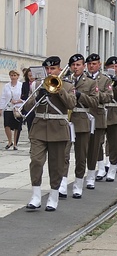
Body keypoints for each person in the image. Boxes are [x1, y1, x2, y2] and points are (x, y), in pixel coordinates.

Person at [25, 56, 77, 211]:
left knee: (56, 165)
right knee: (36, 161)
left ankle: (54, 196)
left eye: (53, 69)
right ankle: (36, 196)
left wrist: (59, 90)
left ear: (59, 69)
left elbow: (71, 104)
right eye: (47, 69)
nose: (49, 72)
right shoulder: (36, 84)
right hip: (39, 127)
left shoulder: (67, 85)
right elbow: (27, 107)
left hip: (58, 129)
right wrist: (36, 97)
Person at [59, 54, 99, 199]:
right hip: (67, 121)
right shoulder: (63, 81)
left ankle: (78, 183)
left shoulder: (90, 82)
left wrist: (80, 95)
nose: (75, 68)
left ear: (83, 66)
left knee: (81, 155)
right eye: (73, 65)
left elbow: (95, 102)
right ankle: (62, 183)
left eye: (78, 65)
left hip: (82, 120)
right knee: (63, 154)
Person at [96, 56, 117, 182]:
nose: (114, 69)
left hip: (115, 113)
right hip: (101, 112)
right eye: (111, 67)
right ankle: (100, 167)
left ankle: (112, 168)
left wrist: (116, 84)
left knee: (114, 143)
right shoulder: (100, 79)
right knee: (98, 142)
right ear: (106, 67)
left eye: (116, 67)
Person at [85, 53, 114, 190]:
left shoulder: (105, 80)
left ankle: (96, 172)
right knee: (84, 148)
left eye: (94, 64)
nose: (91, 66)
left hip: (97, 115)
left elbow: (109, 97)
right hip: (83, 116)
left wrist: (95, 94)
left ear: (99, 64)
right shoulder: (82, 79)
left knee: (97, 145)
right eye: (89, 64)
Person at [0, 70, 24, 150]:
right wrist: (1, 108)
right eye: (11, 75)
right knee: (7, 125)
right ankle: (10, 141)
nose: (13, 77)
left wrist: (17, 101)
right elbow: (3, 97)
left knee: (17, 126)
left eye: (14, 75)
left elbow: (24, 97)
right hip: (8, 107)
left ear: (17, 76)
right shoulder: (7, 86)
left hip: (17, 108)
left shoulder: (21, 85)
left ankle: (15, 143)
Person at [21, 68, 36, 133]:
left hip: (36, 106)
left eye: (32, 75)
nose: (31, 77)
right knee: (29, 124)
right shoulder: (25, 84)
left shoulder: (39, 83)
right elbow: (23, 95)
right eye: (29, 76)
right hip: (28, 106)